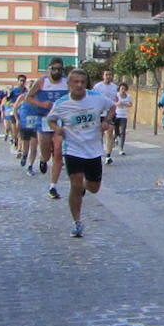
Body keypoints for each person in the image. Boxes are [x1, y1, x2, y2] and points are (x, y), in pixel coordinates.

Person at [46, 69, 115, 238]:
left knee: (94, 188)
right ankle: (77, 222)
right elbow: (50, 119)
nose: (79, 85)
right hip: (73, 149)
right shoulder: (62, 104)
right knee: (75, 185)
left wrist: (106, 121)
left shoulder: (96, 97)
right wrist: (57, 129)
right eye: (76, 82)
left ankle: (85, 185)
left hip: (93, 149)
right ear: (69, 84)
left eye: (83, 82)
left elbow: (112, 106)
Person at [24, 59, 70, 196]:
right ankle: (43, 159)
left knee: (58, 151)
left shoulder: (67, 82)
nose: (56, 71)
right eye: (54, 69)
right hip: (44, 119)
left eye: (59, 69)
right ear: (49, 69)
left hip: (60, 120)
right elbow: (28, 98)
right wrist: (42, 104)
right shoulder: (42, 82)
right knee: (45, 151)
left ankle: (52, 186)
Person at [91, 69, 120, 163]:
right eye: (106, 74)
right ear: (103, 76)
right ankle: (98, 153)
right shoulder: (97, 86)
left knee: (109, 133)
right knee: (99, 134)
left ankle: (108, 155)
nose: (108, 76)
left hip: (110, 113)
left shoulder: (115, 87)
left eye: (110, 74)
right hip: (99, 113)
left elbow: (117, 99)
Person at [112, 80, 133, 158]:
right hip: (116, 115)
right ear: (119, 89)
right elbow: (112, 103)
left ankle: (121, 149)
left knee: (122, 132)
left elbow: (130, 104)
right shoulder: (116, 95)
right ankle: (114, 140)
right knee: (116, 132)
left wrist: (125, 104)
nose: (123, 90)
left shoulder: (128, 96)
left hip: (124, 116)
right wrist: (118, 103)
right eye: (122, 89)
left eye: (124, 89)